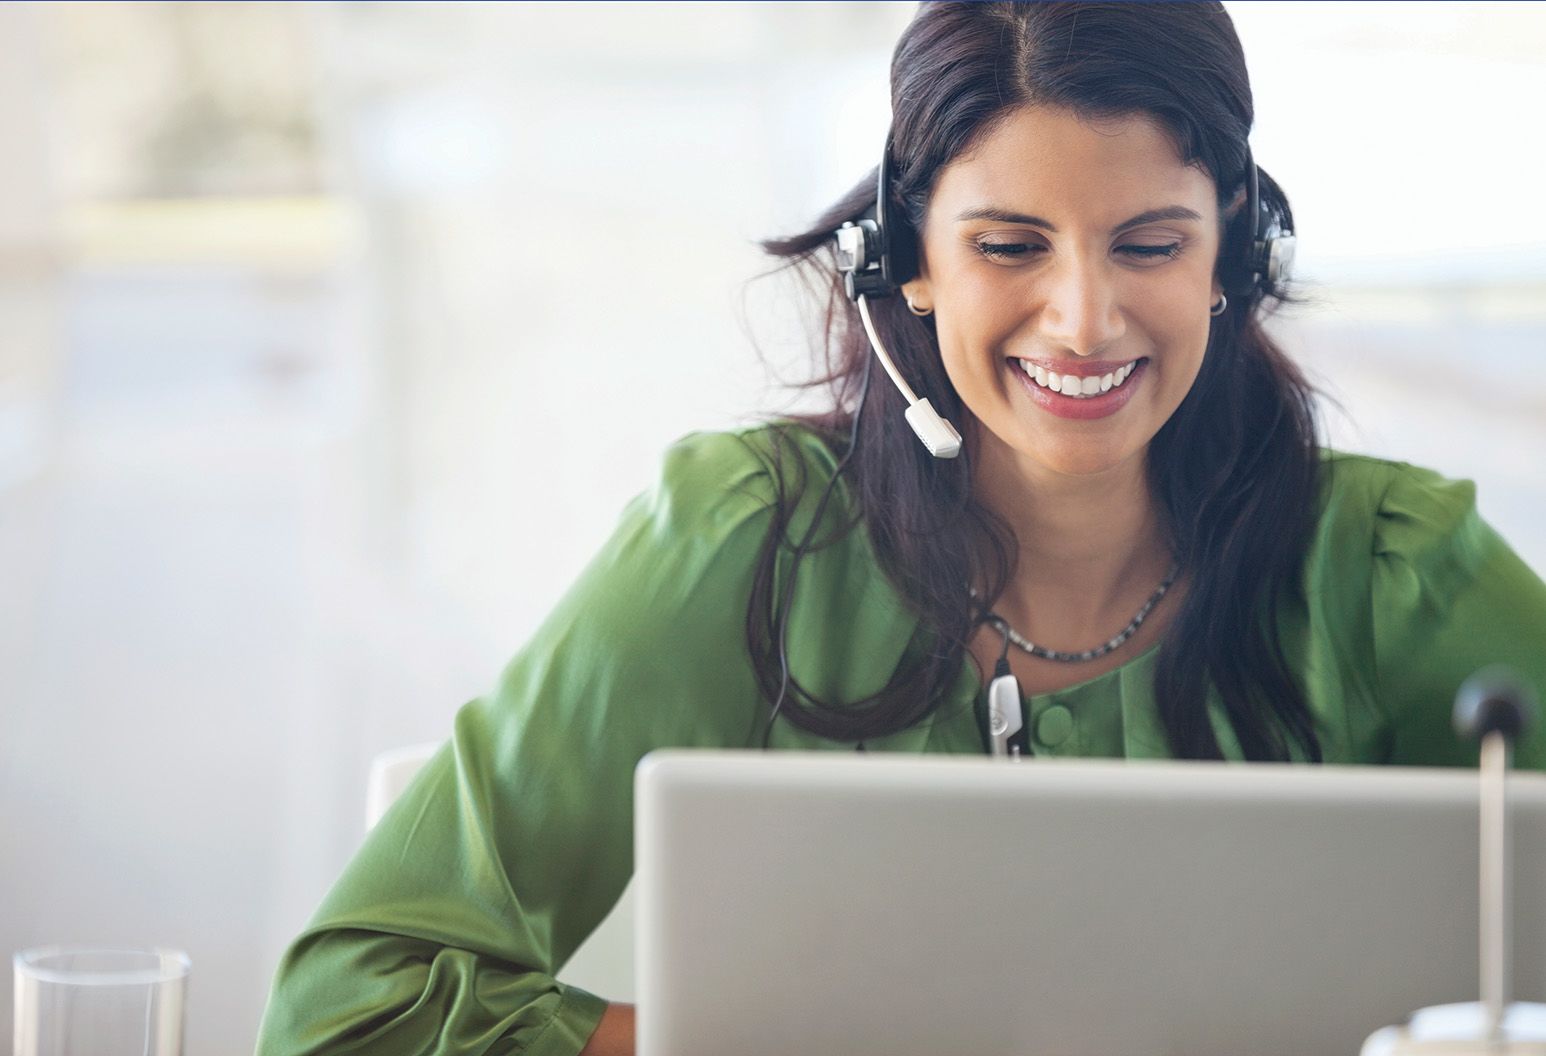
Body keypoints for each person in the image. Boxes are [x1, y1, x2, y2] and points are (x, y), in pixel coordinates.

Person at [254, 3, 1546, 1054]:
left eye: (1148, 244)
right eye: (1008, 246)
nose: (1083, 319)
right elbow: (352, 1005)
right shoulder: (745, 540)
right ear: (907, 260)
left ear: (1232, 257)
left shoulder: (1392, 571)